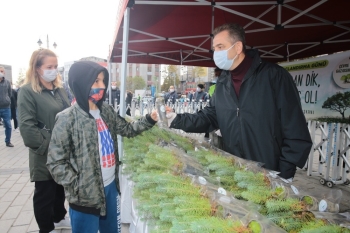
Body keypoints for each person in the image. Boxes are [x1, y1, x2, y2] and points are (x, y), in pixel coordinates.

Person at [165, 23, 312, 180]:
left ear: (238, 47)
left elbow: (295, 126)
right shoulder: (222, 83)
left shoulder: (274, 76)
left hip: (271, 172)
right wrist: (176, 119)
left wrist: (286, 171)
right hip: (236, 171)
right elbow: (210, 117)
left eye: (221, 47)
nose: (216, 53)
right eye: (215, 49)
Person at [47, 61, 158, 233]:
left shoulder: (106, 110)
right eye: (96, 81)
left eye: (103, 81)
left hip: (110, 189)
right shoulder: (67, 118)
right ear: (82, 83)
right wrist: (78, 185)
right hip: (85, 198)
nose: (103, 86)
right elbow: (55, 162)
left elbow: (126, 129)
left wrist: (149, 120)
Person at [17, 49, 71, 233]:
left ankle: (58, 217)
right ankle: (46, 228)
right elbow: (27, 127)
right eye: (49, 67)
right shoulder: (27, 91)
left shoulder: (60, 90)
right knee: (45, 193)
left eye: (55, 66)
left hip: (63, 151)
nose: (54, 70)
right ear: (37, 68)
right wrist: (47, 148)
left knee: (59, 189)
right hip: (44, 153)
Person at [0, 66, 14, 147]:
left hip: (6, 108)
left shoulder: (7, 82)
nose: (1, 72)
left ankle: (8, 141)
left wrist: (7, 100)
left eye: (2, 71)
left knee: (8, 125)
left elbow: (10, 93)